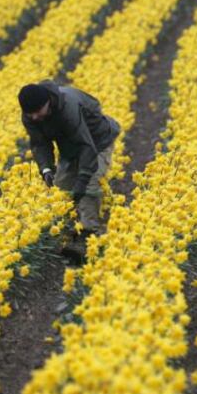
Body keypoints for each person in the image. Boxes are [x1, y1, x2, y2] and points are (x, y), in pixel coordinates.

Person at [19, 81, 120, 261]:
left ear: (47, 102)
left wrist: (82, 179)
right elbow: (39, 143)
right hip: (70, 146)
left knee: (88, 186)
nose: (34, 117)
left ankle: (91, 236)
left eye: (37, 112)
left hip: (97, 142)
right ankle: (71, 230)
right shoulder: (31, 116)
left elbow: (86, 145)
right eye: (30, 113)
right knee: (61, 188)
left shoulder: (68, 108)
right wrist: (46, 168)